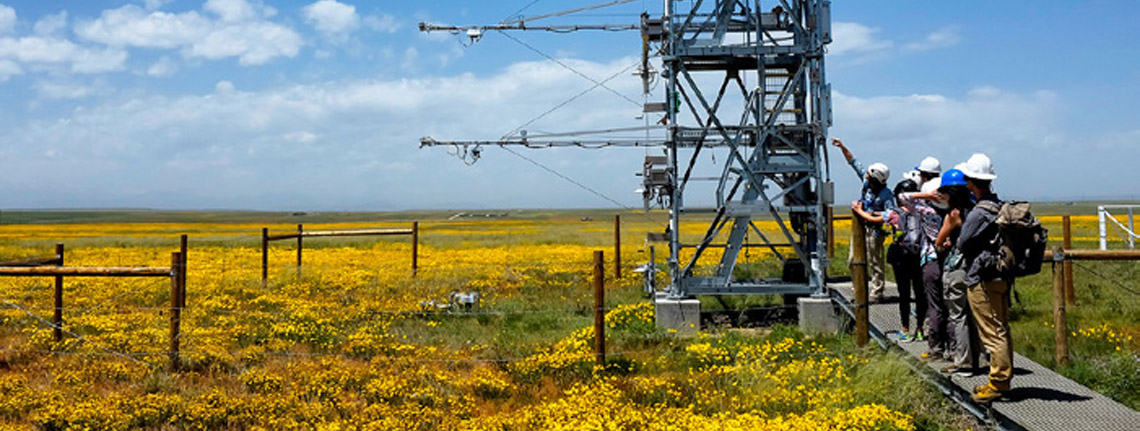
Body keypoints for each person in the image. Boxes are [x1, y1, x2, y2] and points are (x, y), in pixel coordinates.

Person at [955, 153, 1014, 403]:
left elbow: (961, 242)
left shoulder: (979, 212)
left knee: (992, 332)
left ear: (970, 181)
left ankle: (998, 383)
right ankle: (1001, 379)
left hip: (982, 277)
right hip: (1001, 274)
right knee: (1002, 327)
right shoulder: (999, 206)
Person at [928, 168, 983, 373]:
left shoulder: (954, 214)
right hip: (975, 268)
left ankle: (964, 361)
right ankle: (981, 358)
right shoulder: (977, 210)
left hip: (956, 269)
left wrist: (947, 243)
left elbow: (939, 241)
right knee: (973, 314)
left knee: (957, 316)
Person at [832, 138, 895, 303]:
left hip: (874, 231)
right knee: (853, 260)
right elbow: (854, 163)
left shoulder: (886, 195)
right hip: (860, 228)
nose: (865, 174)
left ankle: (876, 293)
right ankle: (858, 289)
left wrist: (869, 214)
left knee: (875, 262)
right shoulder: (868, 184)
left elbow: (889, 215)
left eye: (869, 173)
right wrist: (842, 147)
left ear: (875, 177)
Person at [885, 177, 926, 342]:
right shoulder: (922, 211)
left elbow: (878, 218)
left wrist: (859, 211)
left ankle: (905, 329)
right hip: (918, 255)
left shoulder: (895, 213)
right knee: (920, 292)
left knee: (904, 294)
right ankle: (920, 328)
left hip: (901, 257)